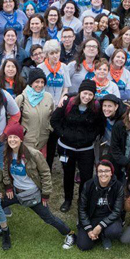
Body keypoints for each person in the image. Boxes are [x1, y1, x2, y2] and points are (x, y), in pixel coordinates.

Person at [0, 124, 75, 248]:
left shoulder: (33, 154)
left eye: (15, 137)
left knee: (48, 218)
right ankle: (3, 229)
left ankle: (70, 233)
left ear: (21, 139)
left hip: (32, 194)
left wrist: (45, 194)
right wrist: (8, 187)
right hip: (15, 191)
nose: (12, 140)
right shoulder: (7, 152)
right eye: (10, 137)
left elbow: (45, 173)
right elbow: (5, 170)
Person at [50, 79, 103, 212]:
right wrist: (63, 134)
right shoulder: (68, 103)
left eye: (90, 94)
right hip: (66, 147)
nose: (87, 97)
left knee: (86, 176)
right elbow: (54, 120)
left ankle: (82, 200)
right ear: (80, 92)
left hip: (86, 149)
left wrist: (91, 137)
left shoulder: (96, 108)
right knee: (68, 174)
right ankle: (68, 200)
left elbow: (100, 126)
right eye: (85, 93)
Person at [76, 160, 125, 251]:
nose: (103, 174)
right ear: (97, 173)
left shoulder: (118, 186)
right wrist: (89, 229)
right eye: (100, 171)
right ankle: (95, 235)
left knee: (115, 231)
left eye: (106, 171)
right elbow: (82, 209)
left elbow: (117, 211)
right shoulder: (88, 185)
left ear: (111, 173)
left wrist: (100, 226)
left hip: (109, 218)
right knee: (84, 246)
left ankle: (103, 235)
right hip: (92, 217)